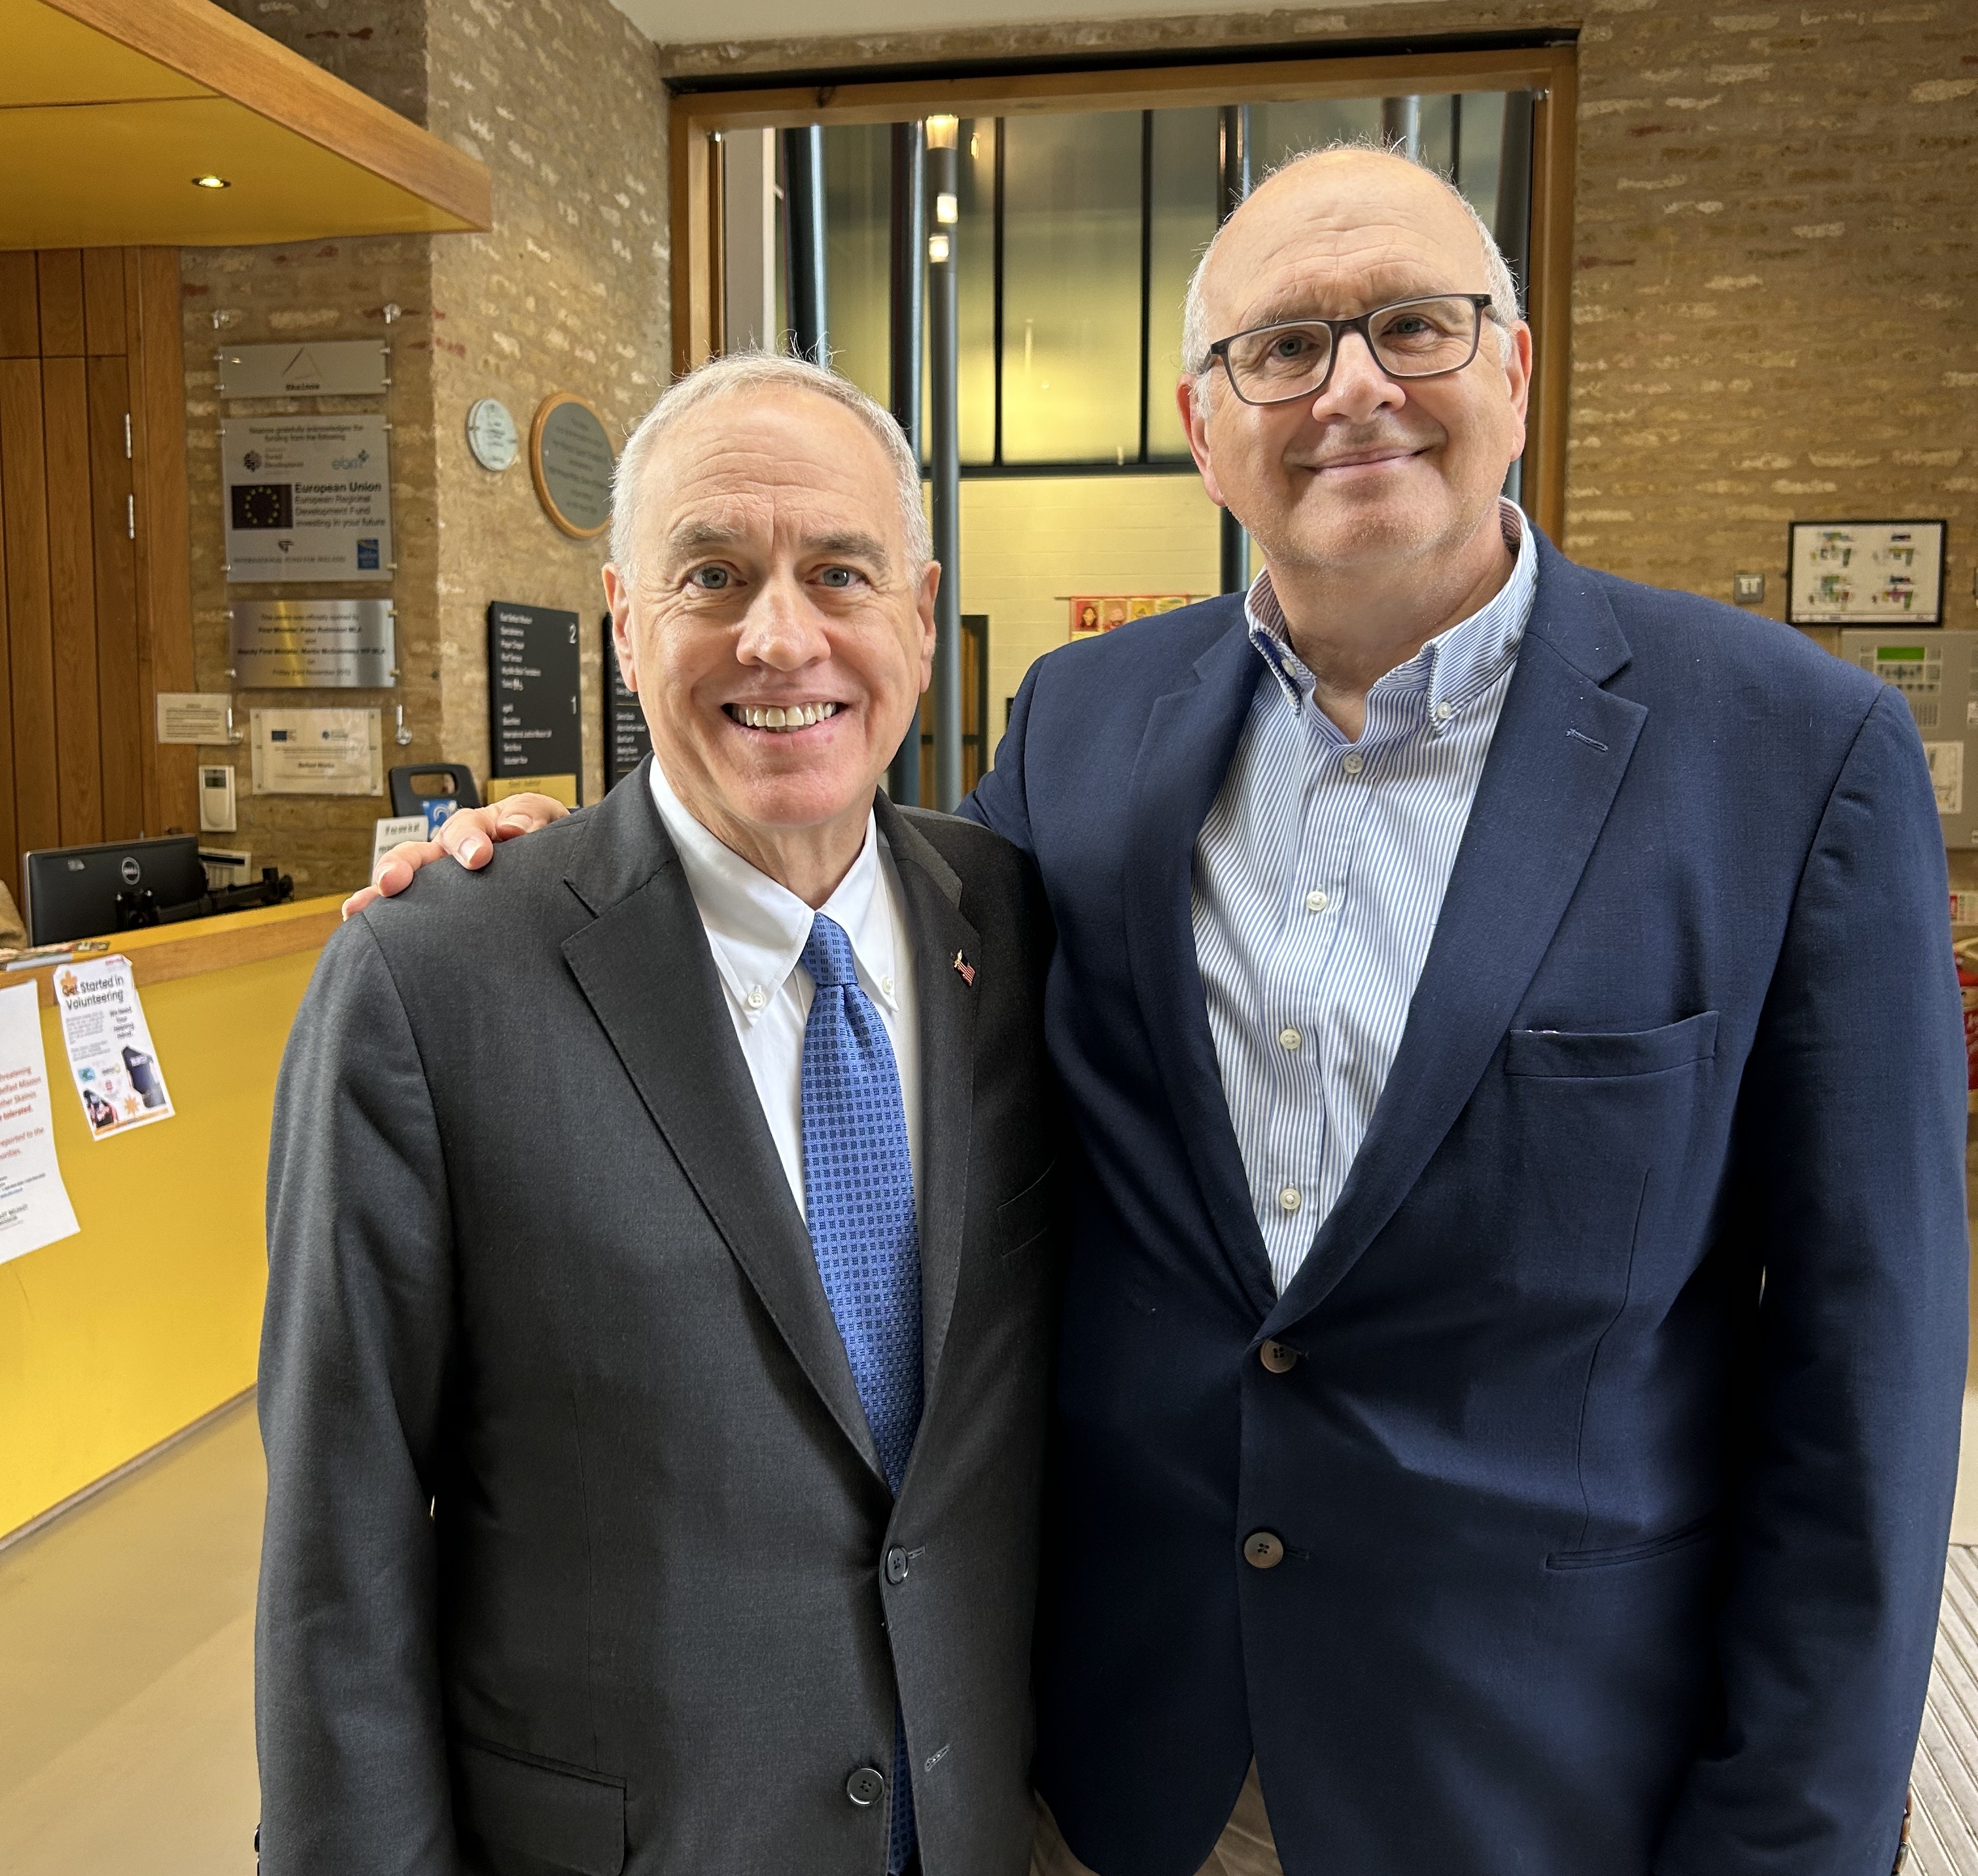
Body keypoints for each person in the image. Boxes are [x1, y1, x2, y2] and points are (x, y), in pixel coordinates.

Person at [359, 145, 1966, 1876]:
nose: (1351, 387)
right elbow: (866, 920)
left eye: (1414, 326)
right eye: (1283, 347)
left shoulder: (1788, 754)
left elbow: (1870, 1374)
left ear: (1513, 370)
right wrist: (566, 881)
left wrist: (1792, 1835)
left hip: (1541, 1779)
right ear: (1206, 428)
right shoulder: (1086, 725)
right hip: (1125, 1763)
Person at [261, 353, 1061, 1876]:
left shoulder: (1017, 925)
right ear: (626, 623)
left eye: (840, 573)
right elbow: (336, 1550)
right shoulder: (435, 979)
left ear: (919, 611)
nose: (782, 636)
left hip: (970, 1825)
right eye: (713, 575)